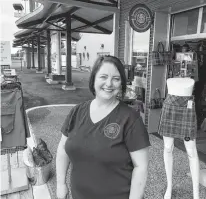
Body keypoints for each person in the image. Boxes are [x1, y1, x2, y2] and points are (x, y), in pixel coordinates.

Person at [56, 55, 151, 199]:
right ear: (93, 79)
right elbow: (63, 149)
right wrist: (60, 184)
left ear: (121, 84)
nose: (109, 83)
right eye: (103, 77)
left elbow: (141, 167)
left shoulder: (130, 119)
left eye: (116, 79)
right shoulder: (77, 111)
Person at [158, 77, 200, 199]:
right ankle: (169, 186)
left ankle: (196, 193)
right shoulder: (170, 80)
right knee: (167, 148)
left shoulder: (191, 80)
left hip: (188, 109)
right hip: (169, 108)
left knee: (192, 151)